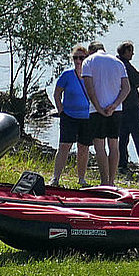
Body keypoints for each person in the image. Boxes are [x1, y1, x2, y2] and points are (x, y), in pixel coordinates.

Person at [79, 41, 131, 188]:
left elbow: (89, 88)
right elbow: (126, 88)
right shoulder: (118, 62)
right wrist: (114, 105)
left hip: (97, 110)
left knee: (100, 146)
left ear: (90, 51)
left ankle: (104, 181)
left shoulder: (88, 62)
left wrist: (99, 107)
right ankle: (112, 181)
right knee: (114, 145)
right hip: (116, 110)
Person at [48, 45, 93, 188]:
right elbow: (57, 94)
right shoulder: (67, 75)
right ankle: (55, 178)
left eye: (82, 58)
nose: (78, 61)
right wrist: (60, 109)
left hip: (87, 117)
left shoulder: (91, 76)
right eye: (76, 58)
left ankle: (81, 179)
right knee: (64, 146)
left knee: (84, 148)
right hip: (69, 116)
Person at [114, 41, 139, 175]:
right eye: (131, 51)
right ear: (126, 52)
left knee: (122, 138)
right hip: (132, 107)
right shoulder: (126, 66)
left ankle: (121, 164)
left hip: (120, 108)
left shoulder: (116, 65)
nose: (133, 54)